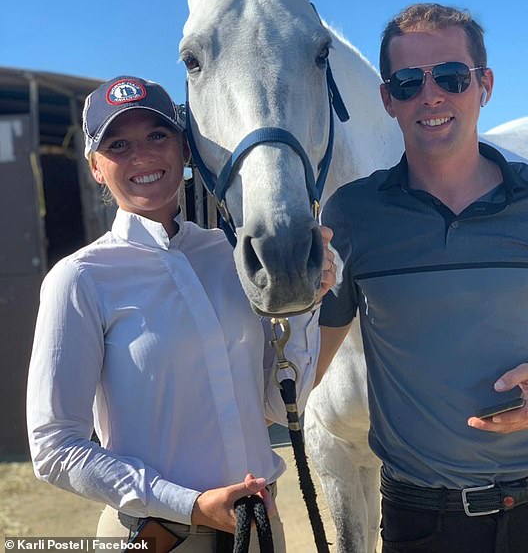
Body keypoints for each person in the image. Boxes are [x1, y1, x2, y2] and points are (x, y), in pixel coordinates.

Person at [317, 4, 528, 553]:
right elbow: (303, 372)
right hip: (423, 522)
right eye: (409, 82)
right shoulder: (350, 218)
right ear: (387, 99)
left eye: (452, 77)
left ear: (483, 85)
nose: (431, 95)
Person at [26, 75, 336, 553]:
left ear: (185, 150)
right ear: (95, 167)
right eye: (118, 144)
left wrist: (305, 301)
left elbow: (275, 404)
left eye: (157, 136)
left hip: (258, 527)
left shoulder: (228, 255)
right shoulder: (80, 279)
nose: (142, 155)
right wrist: (190, 504)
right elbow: (53, 447)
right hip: (158, 537)